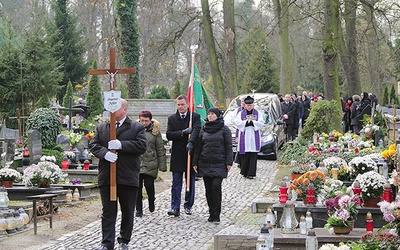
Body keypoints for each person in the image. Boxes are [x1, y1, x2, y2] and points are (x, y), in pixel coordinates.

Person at [89, 99, 147, 250]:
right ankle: (107, 244)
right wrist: (105, 153)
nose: (112, 111)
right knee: (108, 212)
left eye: (115, 108)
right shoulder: (102, 127)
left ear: (125, 110)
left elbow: (141, 146)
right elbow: (94, 145)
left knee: (127, 211)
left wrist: (122, 145)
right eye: (110, 108)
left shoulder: (136, 127)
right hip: (107, 176)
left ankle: (124, 241)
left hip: (128, 176)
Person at [193, 107, 233, 223]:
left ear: (217, 116)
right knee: (208, 189)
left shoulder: (224, 130)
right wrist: (195, 162)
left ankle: (217, 213)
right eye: (208, 114)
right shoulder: (203, 129)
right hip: (205, 162)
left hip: (219, 163)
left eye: (212, 114)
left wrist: (228, 162)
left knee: (216, 187)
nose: (210, 116)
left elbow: (228, 146)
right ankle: (211, 211)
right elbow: (198, 147)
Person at [166, 95, 201, 216]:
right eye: (179, 105)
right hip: (177, 155)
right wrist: (183, 133)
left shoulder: (194, 117)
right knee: (176, 183)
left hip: (190, 154)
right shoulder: (172, 118)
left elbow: (197, 130)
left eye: (183, 104)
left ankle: (188, 205)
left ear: (187, 105)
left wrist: (191, 142)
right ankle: (175, 207)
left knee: (190, 182)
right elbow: (169, 134)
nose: (180, 107)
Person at [135, 110, 167, 217]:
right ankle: (138, 209)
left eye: (146, 121)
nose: (143, 123)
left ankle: (151, 200)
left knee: (149, 185)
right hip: (137, 163)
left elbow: (159, 148)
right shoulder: (135, 129)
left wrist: (162, 165)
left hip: (151, 162)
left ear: (150, 120)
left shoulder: (155, 131)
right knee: (137, 188)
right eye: (142, 120)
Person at [234, 96, 263, 179]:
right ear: (245, 105)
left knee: (253, 155)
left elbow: (261, 123)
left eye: (251, 105)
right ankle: (244, 172)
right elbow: (237, 122)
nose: (249, 107)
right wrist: (246, 123)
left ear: (253, 105)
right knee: (245, 155)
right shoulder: (240, 113)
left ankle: (251, 173)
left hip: (254, 136)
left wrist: (253, 123)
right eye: (248, 105)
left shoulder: (258, 113)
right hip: (244, 135)